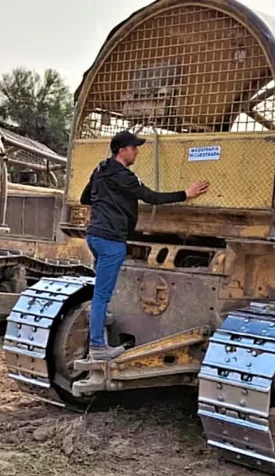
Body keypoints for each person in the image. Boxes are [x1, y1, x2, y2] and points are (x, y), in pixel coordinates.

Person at [79, 131, 209, 361]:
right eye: (134, 148)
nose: (137, 152)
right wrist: (186, 194)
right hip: (112, 241)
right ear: (122, 151)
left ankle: (99, 319)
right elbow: (151, 197)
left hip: (94, 236)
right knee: (102, 295)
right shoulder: (125, 176)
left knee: (100, 289)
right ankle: (98, 346)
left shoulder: (100, 169)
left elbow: (85, 198)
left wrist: (110, 203)